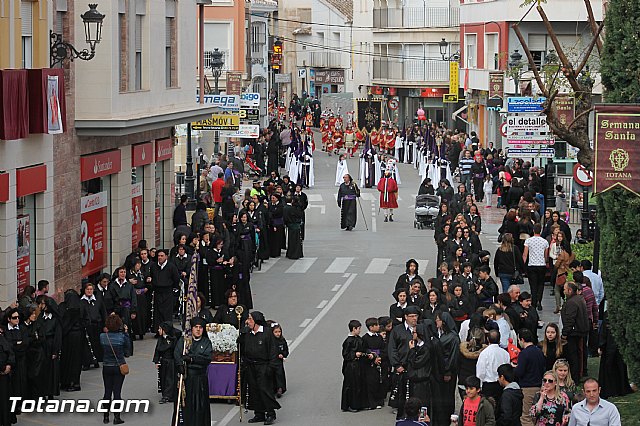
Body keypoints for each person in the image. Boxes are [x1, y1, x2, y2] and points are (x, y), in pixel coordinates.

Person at [238, 311, 281, 424]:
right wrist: (241, 335)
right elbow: (241, 347)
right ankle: (259, 413)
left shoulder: (267, 334)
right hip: (250, 366)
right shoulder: (248, 333)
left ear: (256, 321)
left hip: (263, 366)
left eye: (250, 319)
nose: (248, 321)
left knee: (264, 390)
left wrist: (270, 368)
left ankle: (270, 413)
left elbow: (273, 351)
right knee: (254, 390)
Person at [173, 317, 213, 426]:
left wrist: (192, 359)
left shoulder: (206, 342)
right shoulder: (184, 341)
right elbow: (177, 354)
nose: (198, 330)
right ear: (192, 328)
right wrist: (180, 365)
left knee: (199, 406)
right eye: (196, 327)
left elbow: (206, 358)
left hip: (199, 380)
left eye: (200, 327)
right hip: (186, 379)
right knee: (185, 406)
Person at [100, 313, 131, 424]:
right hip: (119, 366)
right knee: (117, 392)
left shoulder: (103, 337)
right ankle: (117, 417)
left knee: (107, 391)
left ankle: (105, 416)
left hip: (107, 366)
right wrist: (126, 333)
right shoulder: (122, 337)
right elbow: (128, 352)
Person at [515, 328, 546, 426]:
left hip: (527, 388)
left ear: (522, 339)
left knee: (526, 417)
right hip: (539, 387)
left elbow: (520, 372)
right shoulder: (539, 351)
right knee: (535, 416)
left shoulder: (524, 354)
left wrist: (514, 368)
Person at [561, 282, 589, 383]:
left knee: (573, 356)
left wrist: (564, 333)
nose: (563, 291)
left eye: (564, 289)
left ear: (569, 290)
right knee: (577, 354)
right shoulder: (579, 299)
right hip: (579, 331)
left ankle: (574, 378)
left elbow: (570, 320)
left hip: (574, 333)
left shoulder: (571, 302)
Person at [476, 329, 510, 404]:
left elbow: (480, 373)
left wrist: (480, 384)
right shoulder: (505, 353)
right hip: (501, 384)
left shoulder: (484, 353)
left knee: (488, 409)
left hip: (488, 386)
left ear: (487, 339)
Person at [152, 250, 181, 332]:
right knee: (158, 313)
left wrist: (174, 289)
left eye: (162, 256)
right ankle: (158, 330)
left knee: (167, 313)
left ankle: (167, 330)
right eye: (158, 256)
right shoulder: (154, 266)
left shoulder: (171, 267)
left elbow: (176, 279)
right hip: (158, 292)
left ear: (166, 256)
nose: (160, 257)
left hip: (168, 292)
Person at [522, 224, 549, 311]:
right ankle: (539, 301)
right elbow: (546, 255)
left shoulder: (528, 241)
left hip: (532, 265)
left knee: (533, 285)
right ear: (540, 230)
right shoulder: (545, 242)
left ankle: (533, 302)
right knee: (541, 284)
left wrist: (523, 264)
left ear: (533, 230)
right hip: (541, 265)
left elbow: (525, 254)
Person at [361, 317, 385, 410]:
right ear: (371, 327)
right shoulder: (365, 338)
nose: (379, 327)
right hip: (370, 364)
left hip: (379, 361)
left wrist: (380, 357)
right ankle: (371, 402)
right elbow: (364, 350)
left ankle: (379, 401)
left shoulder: (379, 337)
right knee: (371, 383)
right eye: (377, 325)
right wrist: (372, 358)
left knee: (379, 381)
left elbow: (383, 348)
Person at [153, 321, 178, 404]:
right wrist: (156, 361)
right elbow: (157, 350)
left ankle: (168, 395)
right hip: (163, 361)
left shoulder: (173, 339)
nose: (158, 330)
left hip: (171, 362)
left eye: (160, 329)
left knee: (170, 379)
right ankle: (165, 393)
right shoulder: (161, 339)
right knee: (163, 378)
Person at [271, 323, 288, 398]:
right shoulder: (270, 341)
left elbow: (286, 350)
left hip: (278, 362)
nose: (278, 334)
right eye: (276, 332)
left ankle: (280, 389)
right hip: (271, 361)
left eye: (279, 332)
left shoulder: (282, 340)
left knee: (279, 375)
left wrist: (283, 354)